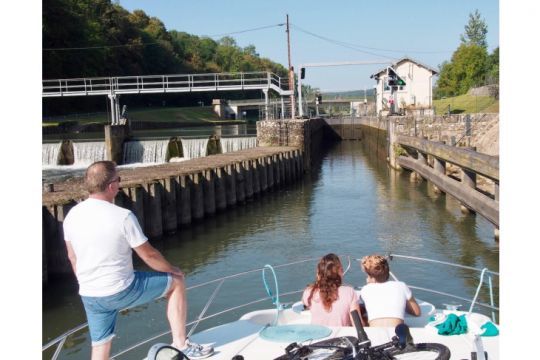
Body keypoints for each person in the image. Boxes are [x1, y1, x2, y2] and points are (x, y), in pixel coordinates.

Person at [63, 161, 214, 360]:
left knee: (100, 345)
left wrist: (87, 283)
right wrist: (173, 269)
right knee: (175, 283)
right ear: (111, 186)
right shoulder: (122, 216)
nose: (119, 183)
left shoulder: (72, 216)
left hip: (90, 294)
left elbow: (72, 257)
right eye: (118, 180)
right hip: (120, 288)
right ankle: (181, 344)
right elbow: (149, 255)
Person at [302, 253, 366, 327]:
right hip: (341, 337)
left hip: (317, 336)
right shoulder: (349, 292)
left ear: (319, 273)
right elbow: (357, 324)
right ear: (340, 271)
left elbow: (306, 304)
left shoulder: (308, 292)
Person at [359, 254, 421, 327]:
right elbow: (417, 312)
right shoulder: (401, 286)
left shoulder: (365, 290)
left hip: (375, 333)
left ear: (370, 277)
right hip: (396, 333)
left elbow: (360, 311)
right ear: (388, 271)